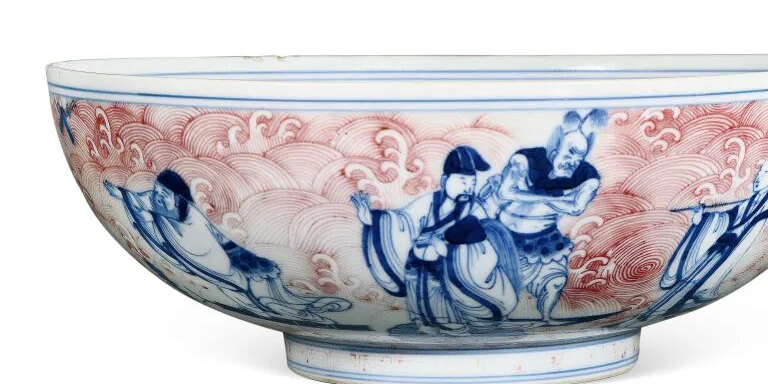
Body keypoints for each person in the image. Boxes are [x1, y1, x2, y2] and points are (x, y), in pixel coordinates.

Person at [106, 169, 350, 325]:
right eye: (157, 192)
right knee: (250, 287)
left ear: (179, 197)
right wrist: (123, 194)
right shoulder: (162, 205)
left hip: (217, 262)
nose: (158, 198)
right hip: (218, 261)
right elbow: (139, 198)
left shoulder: (192, 218)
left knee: (256, 283)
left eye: (164, 194)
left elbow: (210, 241)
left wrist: (244, 257)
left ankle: (292, 303)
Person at [352, 146, 522, 332]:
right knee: (421, 287)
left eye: (472, 183)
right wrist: (373, 219)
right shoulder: (429, 202)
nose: (468, 188)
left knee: (446, 290)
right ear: (444, 180)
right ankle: (423, 322)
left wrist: (449, 248)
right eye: (463, 181)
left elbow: (482, 240)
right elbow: (403, 221)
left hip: (452, 263)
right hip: (420, 262)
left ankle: (454, 322)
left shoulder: (474, 208)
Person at [642, 152, 768, 321]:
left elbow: (743, 244)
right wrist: (703, 217)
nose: (759, 176)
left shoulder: (764, 211)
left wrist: (727, 234)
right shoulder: (746, 203)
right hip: (713, 253)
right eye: (761, 171)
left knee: (683, 291)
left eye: (766, 173)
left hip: (719, 259)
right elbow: (726, 219)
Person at [481, 110, 605, 323]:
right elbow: (506, 192)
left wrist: (533, 195)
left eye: (579, 157)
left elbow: (576, 207)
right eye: (570, 153)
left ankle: (545, 317)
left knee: (555, 281)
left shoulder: (588, 177)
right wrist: (552, 197)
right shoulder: (526, 160)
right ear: (555, 150)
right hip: (504, 235)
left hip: (544, 237)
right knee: (496, 282)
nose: (573, 161)